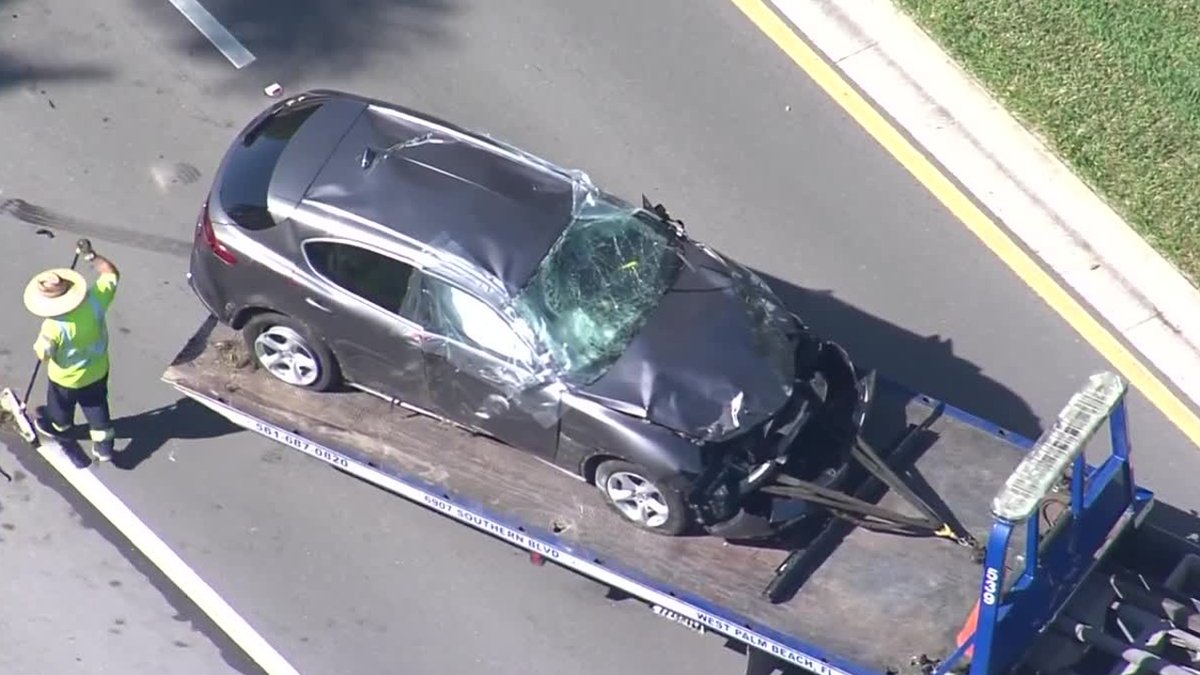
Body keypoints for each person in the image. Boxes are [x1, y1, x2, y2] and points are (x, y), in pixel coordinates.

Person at [23, 239, 120, 461]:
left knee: (60, 408)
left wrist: (44, 347)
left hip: (65, 379)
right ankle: (104, 445)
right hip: (97, 370)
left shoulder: (53, 327)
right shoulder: (95, 301)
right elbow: (111, 274)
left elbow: (42, 354)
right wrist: (91, 256)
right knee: (96, 406)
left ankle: (60, 426)